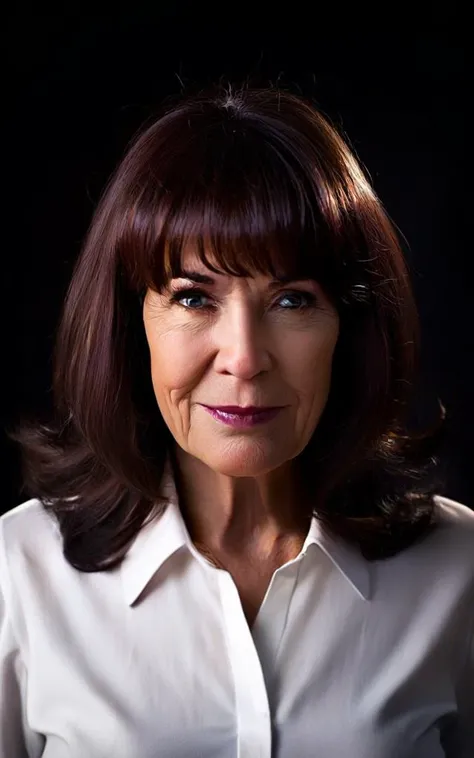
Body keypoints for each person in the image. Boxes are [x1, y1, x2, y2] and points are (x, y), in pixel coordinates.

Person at [1, 84, 472, 758]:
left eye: (292, 300)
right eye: (193, 297)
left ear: (350, 326)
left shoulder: (458, 569)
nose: (245, 358)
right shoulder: (19, 573)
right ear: (132, 325)